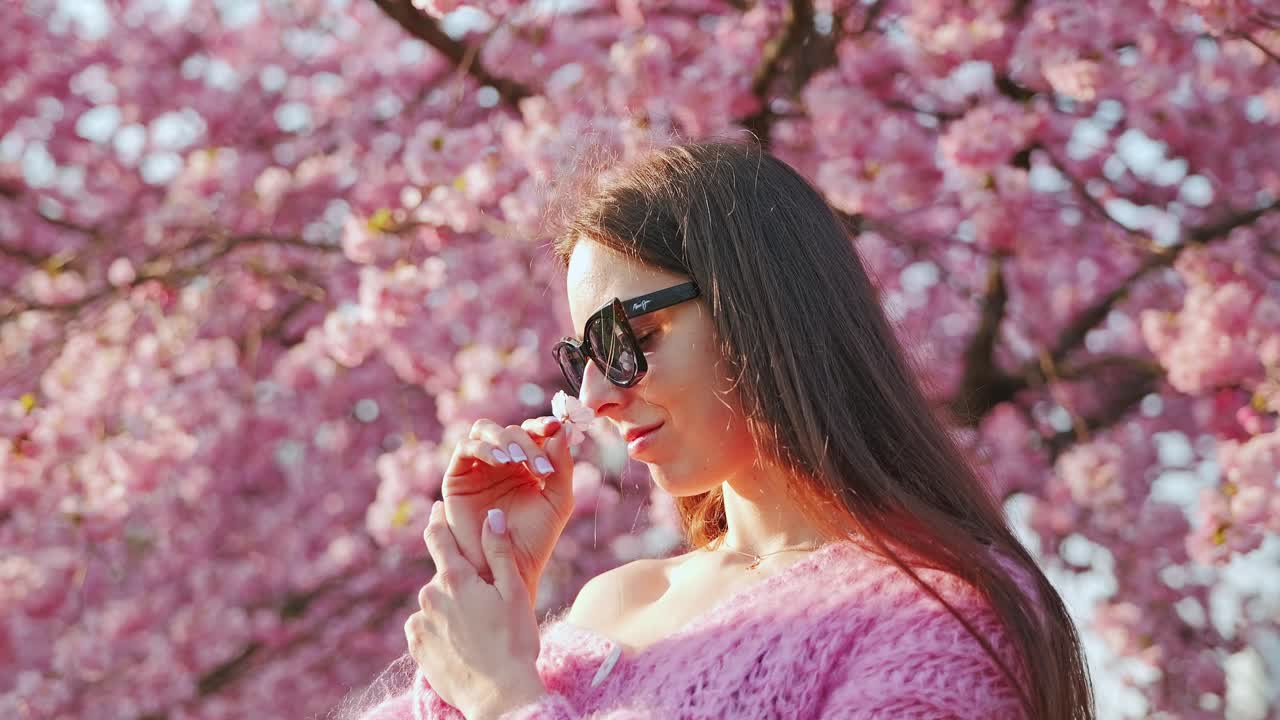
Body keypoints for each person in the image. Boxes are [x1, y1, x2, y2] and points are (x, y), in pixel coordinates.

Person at [345, 138, 1096, 720]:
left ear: (761, 310)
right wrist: (486, 592)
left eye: (630, 337)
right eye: (582, 355)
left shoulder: (941, 613)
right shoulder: (612, 605)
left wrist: (507, 698)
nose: (596, 394)